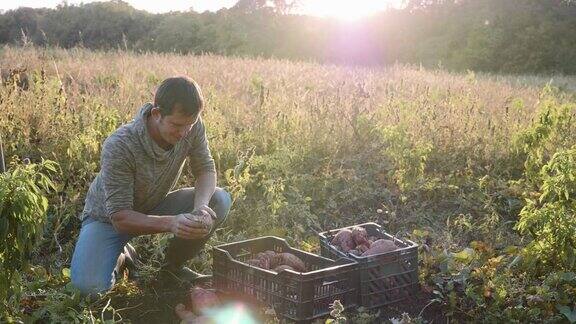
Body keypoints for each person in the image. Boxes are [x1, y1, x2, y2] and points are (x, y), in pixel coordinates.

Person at [70, 76, 232, 295]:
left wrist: (200, 207)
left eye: (189, 125)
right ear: (157, 114)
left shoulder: (190, 126)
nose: (184, 133)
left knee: (218, 199)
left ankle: (172, 268)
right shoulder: (120, 145)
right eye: (176, 125)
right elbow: (120, 217)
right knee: (89, 287)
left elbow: (206, 168)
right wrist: (172, 222)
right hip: (108, 219)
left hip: (154, 205)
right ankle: (121, 255)